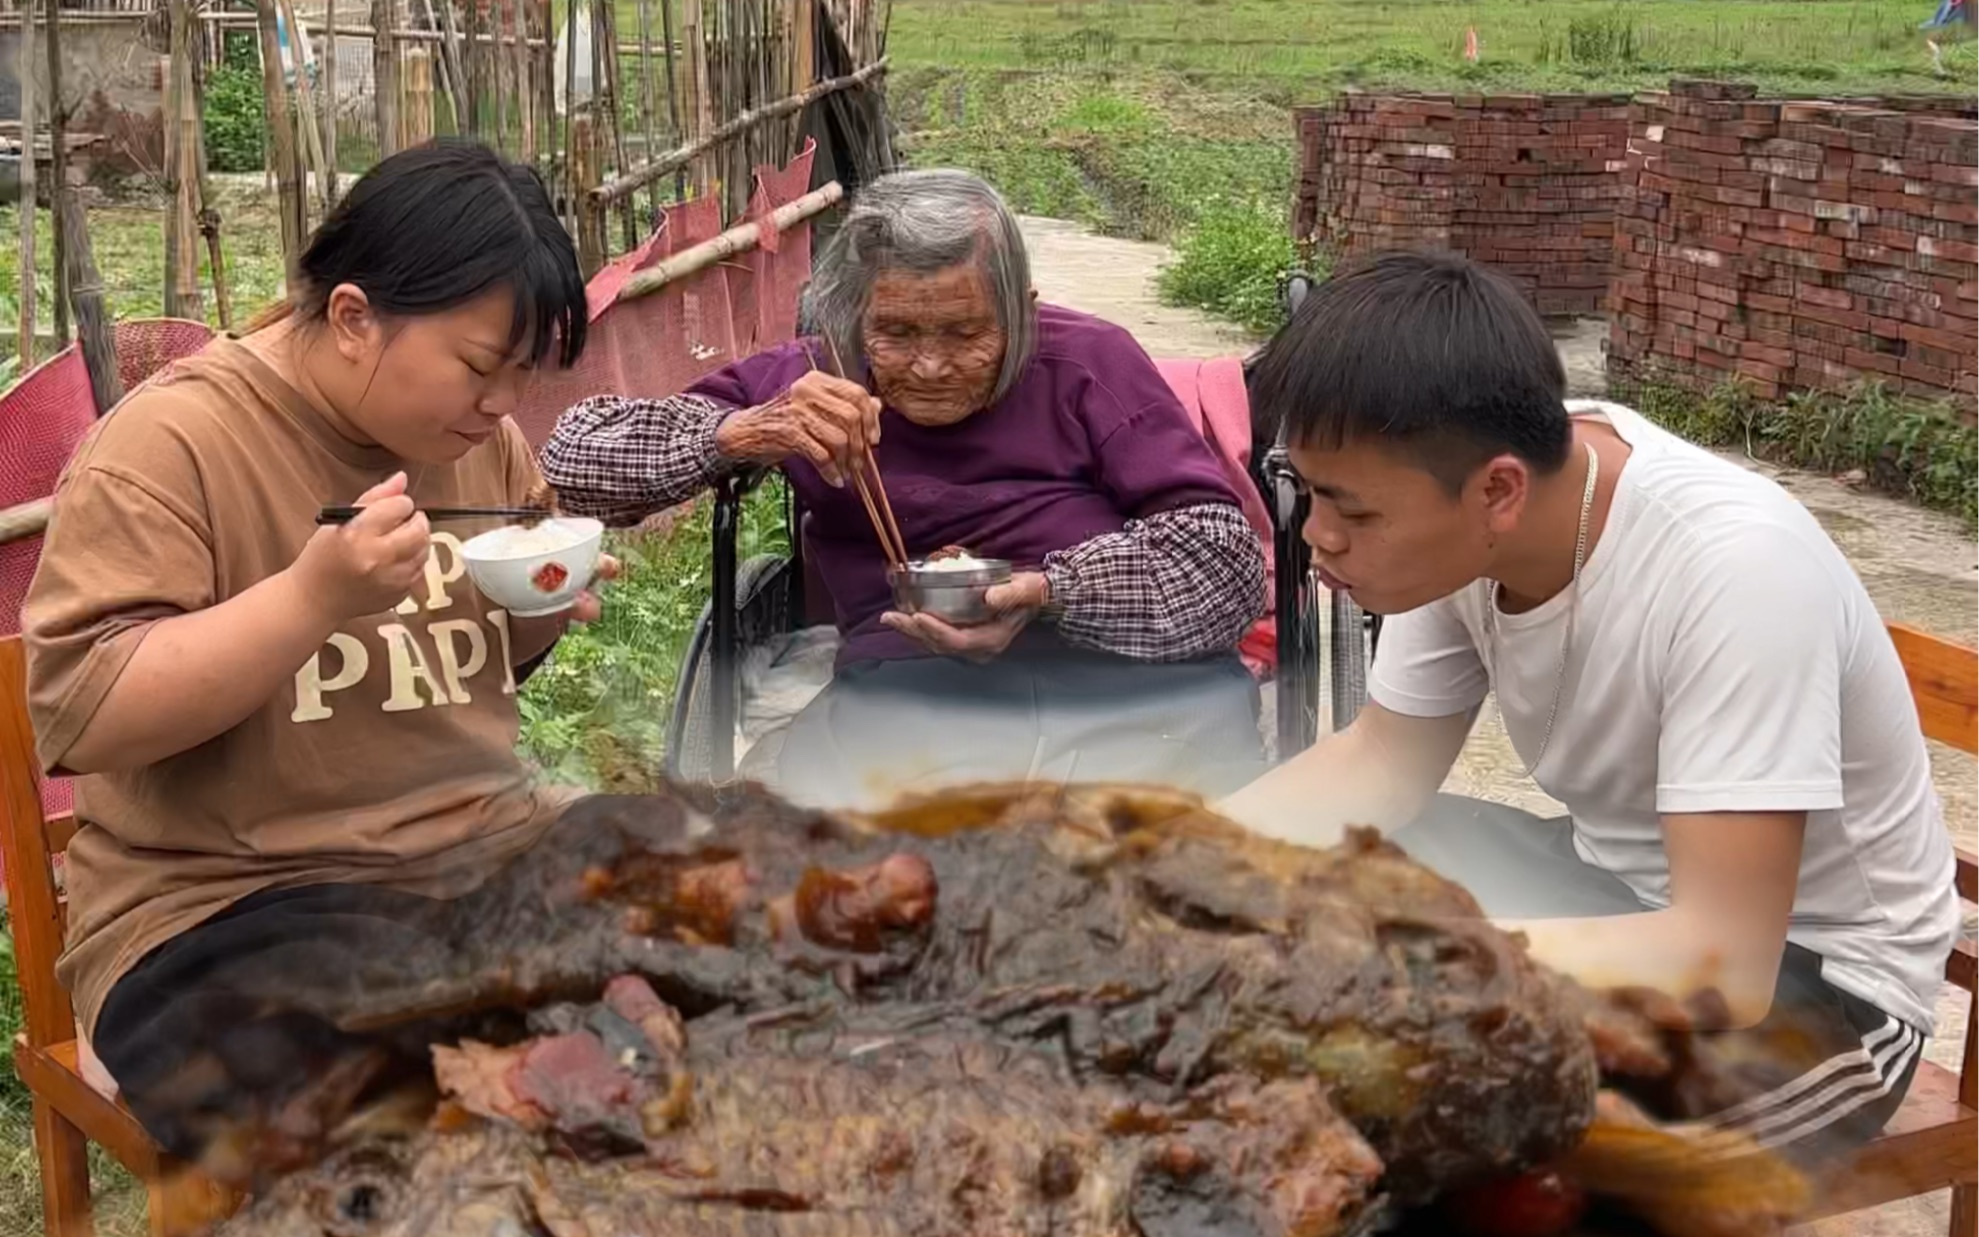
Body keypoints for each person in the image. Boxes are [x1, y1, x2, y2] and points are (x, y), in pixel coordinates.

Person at [1218, 250, 1958, 1165]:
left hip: (1810, 987)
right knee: (1308, 878)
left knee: (1425, 1125)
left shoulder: (1734, 572)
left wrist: (1402, 960)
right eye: (1312, 493)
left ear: (1497, 490)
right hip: (1609, 890)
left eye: (1352, 513)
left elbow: (1723, 967)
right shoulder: (1468, 504)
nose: (1316, 534)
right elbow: (1377, 763)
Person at [22, 140, 606, 1172]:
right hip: (223, 906)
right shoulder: (173, 446)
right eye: (479, 369)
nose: (498, 408)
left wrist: (545, 606)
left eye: (520, 379)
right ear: (352, 317)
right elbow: (83, 712)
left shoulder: (473, 442)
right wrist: (309, 599)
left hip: (476, 855)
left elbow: (468, 672)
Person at [540, 168, 1268, 808]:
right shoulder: (815, 378)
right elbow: (573, 459)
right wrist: (741, 433)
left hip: (1134, 688)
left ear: (1024, 309)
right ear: (854, 318)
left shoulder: (1088, 361)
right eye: (895, 333)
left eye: (963, 334)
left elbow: (1223, 562)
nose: (927, 366)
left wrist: (1051, 592)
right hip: (911, 692)